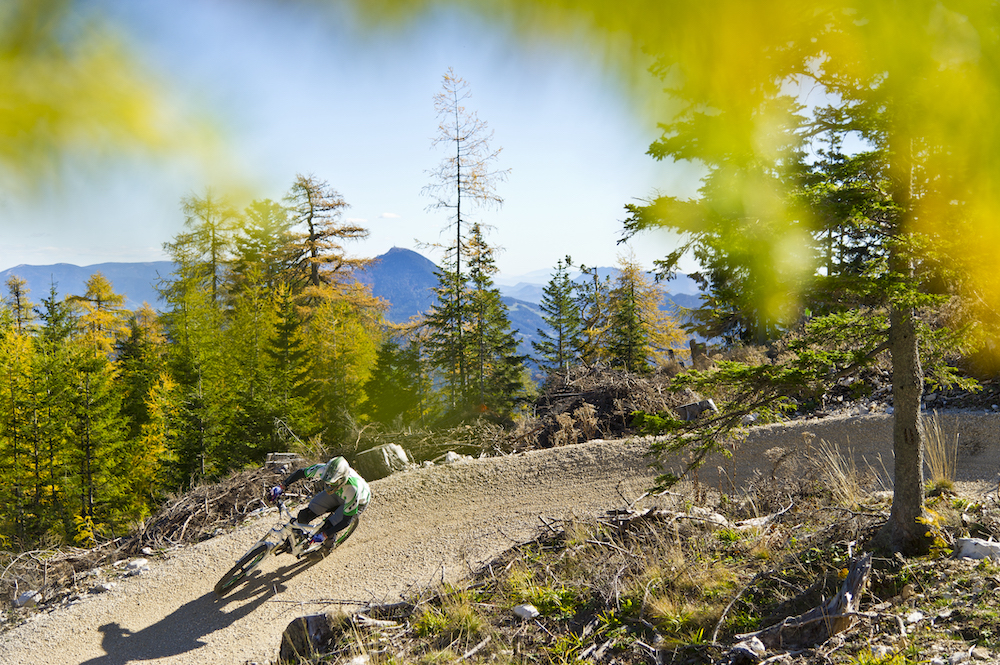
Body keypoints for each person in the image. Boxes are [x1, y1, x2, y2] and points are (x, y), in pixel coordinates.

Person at [270, 456, 371, 547]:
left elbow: (346, 521)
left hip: (357, 500)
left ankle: (327, 547)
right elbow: (301, 472)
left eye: (332, 483)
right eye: (327, 482)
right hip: (338, 493)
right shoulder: (324, 469)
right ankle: (294, 541)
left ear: (342, 479)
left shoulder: (353, 488)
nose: (329, 485)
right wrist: (282, 486)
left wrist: (324, 535)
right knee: (304, 515)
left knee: (328, 527)